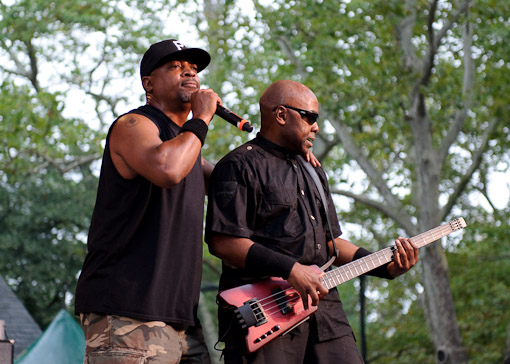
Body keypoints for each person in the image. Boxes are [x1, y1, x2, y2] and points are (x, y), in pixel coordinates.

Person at [205, 80, 419, 364]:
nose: (316, 126)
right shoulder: (238, 166)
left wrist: (386, 266)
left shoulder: (314, 170)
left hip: (327, 316)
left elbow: (330, 243)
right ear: (281, 115)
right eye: (310, 117)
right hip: (267, 316)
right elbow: (224, 243)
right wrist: (291, 269)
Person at [75, 39, 221, 364]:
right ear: (148, 83)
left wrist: (287, 152)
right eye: (176, 67)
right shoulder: (135, 125)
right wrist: (202, 118)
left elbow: (233, 183)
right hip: (128, 313)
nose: (190, 74)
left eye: (194, 69)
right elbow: (168, 169)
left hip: (178, 320)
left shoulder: (186, 148)